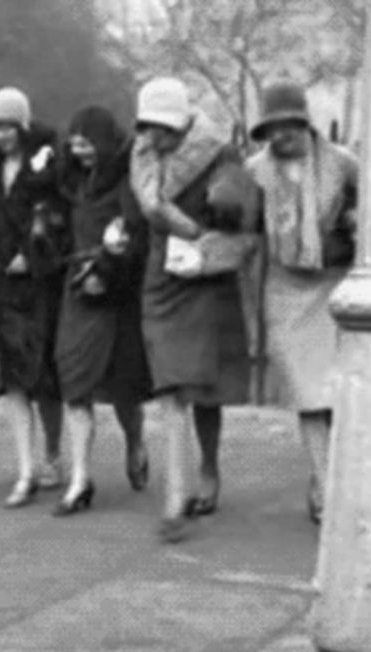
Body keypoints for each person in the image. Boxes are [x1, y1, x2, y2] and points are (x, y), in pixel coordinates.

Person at [130, 78, 259, 542]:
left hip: (203, 276)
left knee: (202, 384)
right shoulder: (141, 156)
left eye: (163, 126)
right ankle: (175, 497)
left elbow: (241, 218)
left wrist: (192, 225)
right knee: (170, 386)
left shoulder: (220, 156)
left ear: (183, 123)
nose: (154, 136)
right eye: (147, 125)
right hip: (160, 279)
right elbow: (136, 211)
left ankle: (207, 468)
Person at [245, 82, 358, 525]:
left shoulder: (343, 165)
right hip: (284, 288)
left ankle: (329, 477)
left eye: (286, 127)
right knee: (306, 393)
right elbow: (245, 233)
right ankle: (324, 482)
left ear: (303, 124)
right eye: (271, 129)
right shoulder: (254, 170)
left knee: (335, 393)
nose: (279, 137)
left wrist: (351, 220)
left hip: (334, 284)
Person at [54, 106, 152, 515]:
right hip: (79, 290)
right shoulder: (72, 179)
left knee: (123, 387)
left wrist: (111, 262)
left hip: (116, 291)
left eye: (88, 144)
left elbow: (135, 234)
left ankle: (134, 441)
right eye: (75, 145)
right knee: (74, 381)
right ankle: (80, 476)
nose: (81, 153)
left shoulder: (127, 181)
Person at [0, 87, 67, 508]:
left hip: (38, 281)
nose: (1, 136)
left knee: (43, 374)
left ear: (22, 125)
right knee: (12, 375)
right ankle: (24, 468)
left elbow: (57, 219)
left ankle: (52, 453)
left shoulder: (48, 163)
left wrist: (31, 257)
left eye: (8, 127)